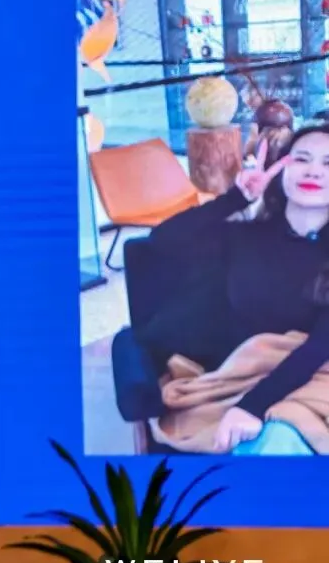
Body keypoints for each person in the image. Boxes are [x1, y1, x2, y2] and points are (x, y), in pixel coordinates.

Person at [135, 125, 329, 453]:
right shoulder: (245, 238)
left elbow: (320, 346)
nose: (314, 171)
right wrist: (235, 198)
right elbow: (160, 244)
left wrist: (251, 407)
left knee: (279, 438)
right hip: (240, 377)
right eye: (302, 159)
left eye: (328, 163)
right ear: (281, 169)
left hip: (312, 377)